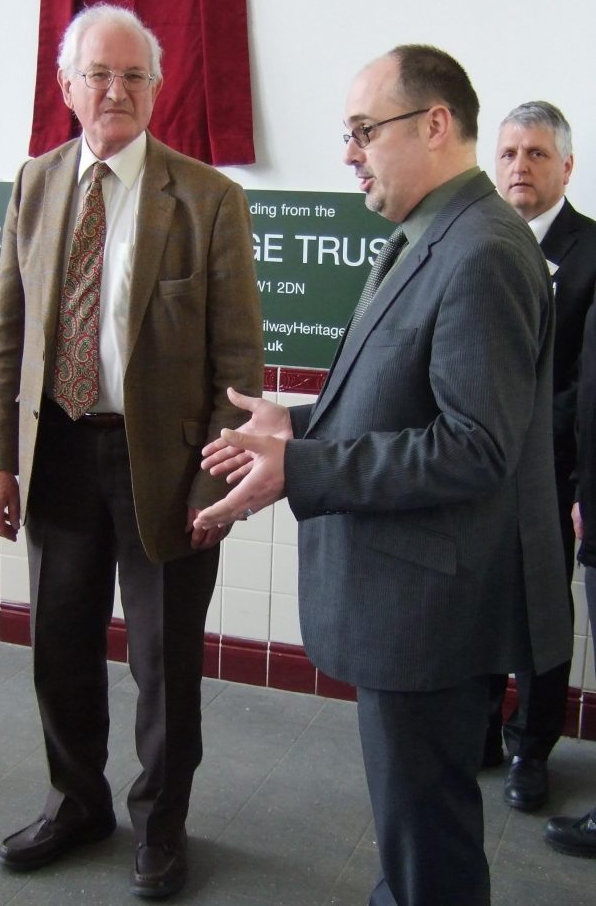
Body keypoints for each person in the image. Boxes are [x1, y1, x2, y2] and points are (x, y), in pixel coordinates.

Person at [194, 45, 572, 906]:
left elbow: (474, 446)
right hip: (407, 598)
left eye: (365, 130)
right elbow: (401, 398)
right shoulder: (427, 236)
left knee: (426, 834)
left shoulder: (482, 252)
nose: (349, 151)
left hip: (430, 612)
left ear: (435, 125)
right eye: (348, 133)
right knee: (412, 828)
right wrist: (298, 423)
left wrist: (306, 465)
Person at [0, 3, 263, 899]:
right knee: (58, 645)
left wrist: (220, 478)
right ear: (66, 88)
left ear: (157, 87)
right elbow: (5, 335)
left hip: (167, 468)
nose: (116, 91)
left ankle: (161, 824)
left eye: (133, 75)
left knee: (163, 663)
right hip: (57, 452)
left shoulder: (207, 197)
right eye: (98, 74)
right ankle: (78, 802)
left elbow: (237, 360)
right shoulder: (34, 181)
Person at [486, 102, 596, 811]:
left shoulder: (590, 252)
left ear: (565, 166)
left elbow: (586, 386)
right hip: (477, 467)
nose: (518, 167)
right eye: (507, 154)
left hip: (553, 474)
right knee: (477, 600)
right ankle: (476, 732)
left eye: (533, 154)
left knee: (540, 614)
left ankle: (531, 746)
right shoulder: (481, 240)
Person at [545, 287, 596, 856]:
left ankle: (530, 747)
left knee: (549, 611)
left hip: (568, 479)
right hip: (584, 490)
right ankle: (488, 736)